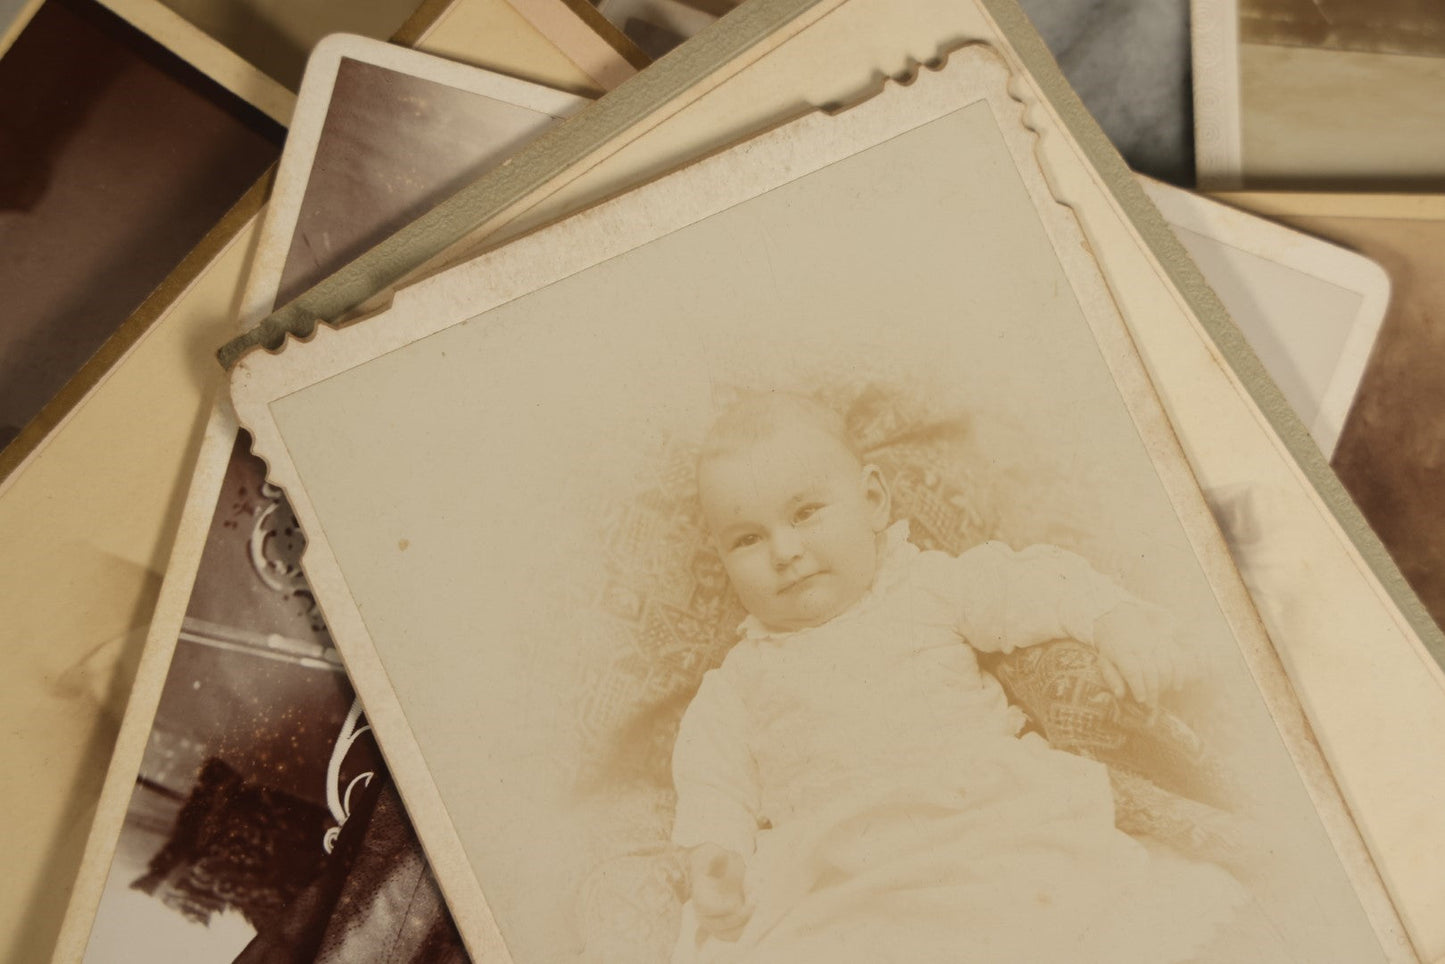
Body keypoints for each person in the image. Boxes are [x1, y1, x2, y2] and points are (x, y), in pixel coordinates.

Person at [669, 392, 1244, 963]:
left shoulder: (928, 588)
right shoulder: (739, 681)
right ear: (722, 557)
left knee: (1045, 913)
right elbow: (712, 780)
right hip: (843, 872)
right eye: (748, 539)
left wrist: (1112, 620)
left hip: (976, 823)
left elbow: (1030, 584)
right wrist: (716, 854)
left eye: (806, 513)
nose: (785, 551)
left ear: (872, 500)